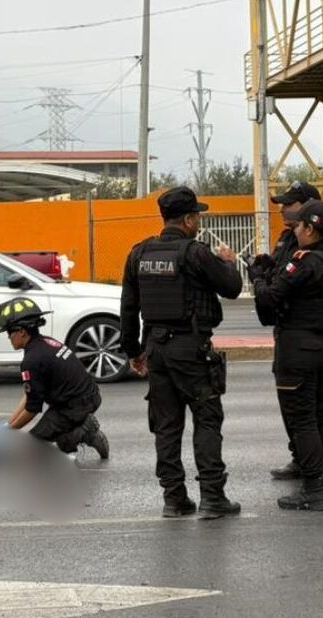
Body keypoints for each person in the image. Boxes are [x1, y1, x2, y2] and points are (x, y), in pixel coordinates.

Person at [120, 186, 244, 519]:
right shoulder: (196, 253)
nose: (199, 223)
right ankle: (213, 497)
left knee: (166, 426)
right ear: (188, 219)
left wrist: (134, 352)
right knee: (207, 420)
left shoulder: (139, 254)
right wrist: (228, 263)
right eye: (197, 217)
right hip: (191, 351)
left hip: (157, 350)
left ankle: (174, 499)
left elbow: (128, 308)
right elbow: (232, 288)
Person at [250, 200, 323, 510]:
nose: (294, 230)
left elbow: (270, 300)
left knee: (303, 421)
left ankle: (313, 490)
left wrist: (257, 277)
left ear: (310, 228)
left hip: (299, 351)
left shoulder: (305, 261)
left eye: (298, 225)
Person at [0, 296, 109, 459]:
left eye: (9, 333)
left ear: (22, 332)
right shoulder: (45, 342)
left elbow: (33, 408)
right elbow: (30, 395)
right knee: (49, 436)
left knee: (33, 447)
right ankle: (71, 437)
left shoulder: (32, 360)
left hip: (75, 406)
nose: (8, 338)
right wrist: (10, 424)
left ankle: (85, 431)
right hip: (88, 396)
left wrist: (10, 431)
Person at [264, 180, 322, 481]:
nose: (283, 209)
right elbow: (275, 272)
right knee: (291, 404)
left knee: (310, 409)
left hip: (306, 334)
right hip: (287, 331)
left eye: (290, 204)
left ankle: (315, 469)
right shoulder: (289, 238)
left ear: (308, 206)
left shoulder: (318, 240)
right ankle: (301, 458)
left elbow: (288, 285)